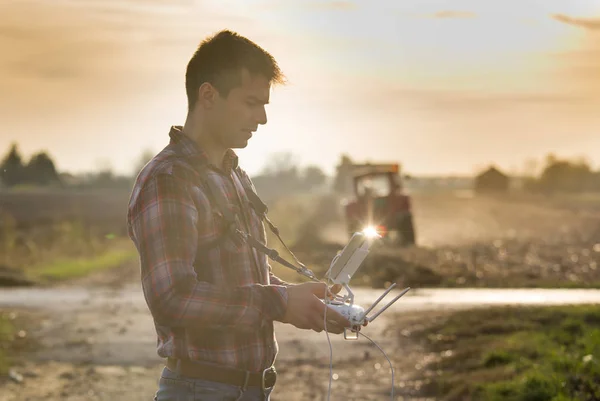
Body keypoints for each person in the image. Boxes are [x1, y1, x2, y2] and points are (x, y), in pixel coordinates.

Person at [127, 30, 359, 401]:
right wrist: (279, 302)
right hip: (202, 391)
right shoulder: (169, 180)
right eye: (251, 103)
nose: (263, 118)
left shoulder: (233, 174)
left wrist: (300, 300)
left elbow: (238, 274)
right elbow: (173, 297)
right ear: (208, 95)